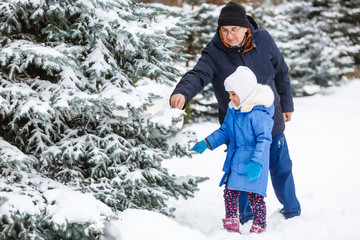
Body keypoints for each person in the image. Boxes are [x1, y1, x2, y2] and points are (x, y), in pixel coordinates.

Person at [170, 1, 301, 222]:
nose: (229, 36)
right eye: (224, 30)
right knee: (239, 173)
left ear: (246, 28)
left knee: (280, 167)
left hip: (270, 119)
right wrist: (182, 92)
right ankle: (245, 217)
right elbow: (198, 73)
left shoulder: (264, 40)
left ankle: (291, 211)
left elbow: (281, 72)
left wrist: (286, 104)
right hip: (236, 127)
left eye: (234, 30)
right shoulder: (214, 52)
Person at [192, 66, 274, 233]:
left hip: (253, 161)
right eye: (229, 93)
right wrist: (207, 143)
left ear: (244, 92)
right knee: (230, 193)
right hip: (236, 159)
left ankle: (259, 226)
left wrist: (257, 162)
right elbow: (225, 131)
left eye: (233, 93)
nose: (230, 97)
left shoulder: (258, 113)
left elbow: (264, 140)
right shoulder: (233, 109)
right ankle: (231, 225)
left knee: (255, 196)